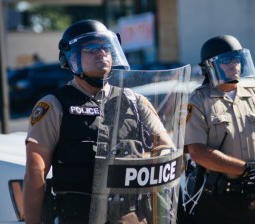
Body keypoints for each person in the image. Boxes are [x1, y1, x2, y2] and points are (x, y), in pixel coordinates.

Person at [23, 19, 174, 224]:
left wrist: (137, 159)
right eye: (92, 48)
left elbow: (166, 149)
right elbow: (35, 172)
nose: (102, 53)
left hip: (131, 215)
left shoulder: (135, 101)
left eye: (106, 47)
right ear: (72, 57)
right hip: (80, 216)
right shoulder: (53, 105)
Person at [183, 35, 255, 224]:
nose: (235, 65)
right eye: (227, 61)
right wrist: (246, 169)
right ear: (210, 66)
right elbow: (197, 152)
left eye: (237, 59)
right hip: (218, 201)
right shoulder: (198, 100)